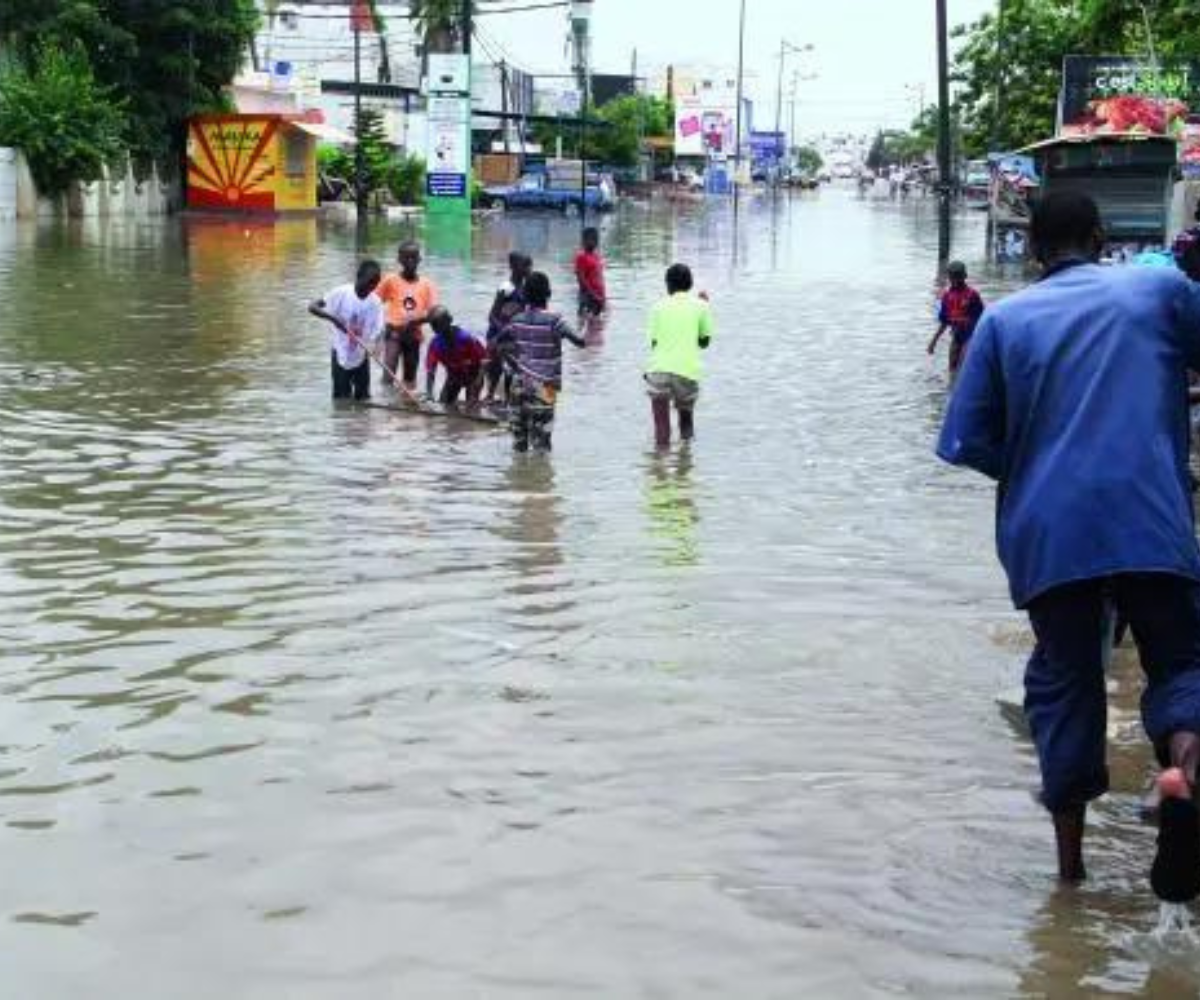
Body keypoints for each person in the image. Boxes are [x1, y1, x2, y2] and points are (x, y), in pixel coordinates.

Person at [937, 191, 1200, 903]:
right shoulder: (1159, 289)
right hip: (1153, 519)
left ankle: (1071, 877)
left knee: (1066, 684)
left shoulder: (1003, 322)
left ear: (1031, 251)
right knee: (1180, 666)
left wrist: (1037, 463)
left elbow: (966, 441)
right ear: (1102, 234)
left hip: (1052, 536)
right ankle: (1184, 772)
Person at [496, 271, 586, 452]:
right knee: (541, 447)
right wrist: (586, 325)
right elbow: (579, 341)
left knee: (518, 445)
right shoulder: (554, 321)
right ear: (549, 294)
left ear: (525, 295)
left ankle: (520, 479)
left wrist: (513, 364)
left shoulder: (516, 320)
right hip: (545, 389)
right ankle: (539, 480)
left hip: (518, 385)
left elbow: (498, 343)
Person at [645, 263, 715, 449]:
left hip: (659, 371)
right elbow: (704, 342)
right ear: (690, 284)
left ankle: (660, 468)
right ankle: (685, 465)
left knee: (661, 427)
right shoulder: (701, 306)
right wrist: (705, 307)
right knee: (686, 422)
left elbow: (653, 343)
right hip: (687, 373)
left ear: (668, 286)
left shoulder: (657, 307)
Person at [308, 259, 385, 402]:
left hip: (362, 355)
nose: (371, 287)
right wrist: (334, 318)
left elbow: (379, 330)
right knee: (342, 402)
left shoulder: (375, 302)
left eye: (375, 283)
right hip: (341, 355)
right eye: (369, 282)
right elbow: (312, 307)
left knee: (363, 400)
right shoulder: (341, 293)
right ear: (358, 276)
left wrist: (376, 347)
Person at [377, 241, 438, 392]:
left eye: (413, 257)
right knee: (388, 374)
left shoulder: (427, 285)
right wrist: (379, 329)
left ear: (419, 260)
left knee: (410, 378)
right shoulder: (390, 280)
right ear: (400, 260)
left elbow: (434, 313)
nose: (410, 261)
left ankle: (406, 406)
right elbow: (374, 302)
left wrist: (417, 321)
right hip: (393, 333)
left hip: (414, 335)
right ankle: (385, 407)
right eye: (406, 258)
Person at [485, 252, 532, 403]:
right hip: (498, 335)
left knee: (512, 369)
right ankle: (490, 395)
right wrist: (502, 331)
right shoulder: (506, 288)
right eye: (525, 266)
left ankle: (507, 400)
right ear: (513, 267)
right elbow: (492, 315)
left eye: (529, 266)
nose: (528, 269)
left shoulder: (526, 289)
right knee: (495, 369)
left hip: (514, 337)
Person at [927, 261, 985, 377]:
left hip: (971, 337)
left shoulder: (972, 295)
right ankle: (951, 391)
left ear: (964, 276)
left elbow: (983, 319)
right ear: (949, 277)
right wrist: (933, 341)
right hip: (956, 337)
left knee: (964, 369)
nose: (955, 280)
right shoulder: (947, 296)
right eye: (952, 276)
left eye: (958, 276)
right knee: (952, 370)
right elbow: (944, 322)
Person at [425, 306, 488, 406]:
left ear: (449, 321)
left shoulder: (466, 338)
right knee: (443, 405)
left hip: (473, 375)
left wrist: (478, 381)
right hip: (454, 376)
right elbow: (431, 371)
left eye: (438, 324)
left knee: (471, 408)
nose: (436, 328)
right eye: (434, 325)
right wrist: (429, 394)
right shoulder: (435, 344)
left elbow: (484, 360)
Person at [574, 227, 607, 319]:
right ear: (583, 241)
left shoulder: (597, 256)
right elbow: (581, 280)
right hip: (588, 298)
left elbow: (600, 278)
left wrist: (603, 297)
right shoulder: (581, 257)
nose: (594, 241)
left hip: (598, 296)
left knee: (597, 327)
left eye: (596, 239)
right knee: (586, 324)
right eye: (591, 239)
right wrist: (593, 295)